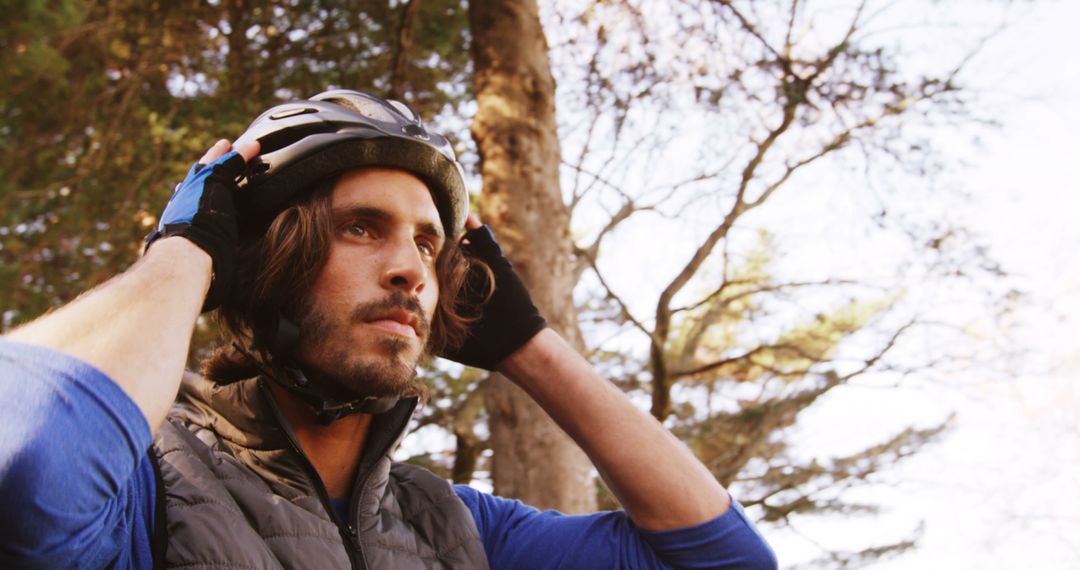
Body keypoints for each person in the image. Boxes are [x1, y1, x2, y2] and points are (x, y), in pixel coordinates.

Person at [0, 90, 777, 569]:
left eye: (429, 244)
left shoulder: (459, 531)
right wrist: (186, 256)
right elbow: (25, 473)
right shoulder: (149, 479)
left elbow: (722, 561)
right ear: (263, 264)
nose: (412, 268)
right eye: (363, 229)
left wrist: (526, 345)